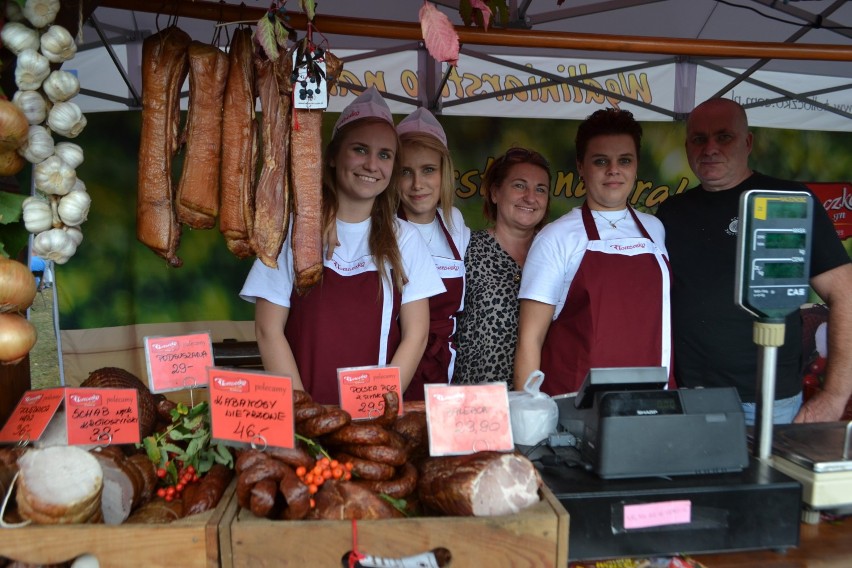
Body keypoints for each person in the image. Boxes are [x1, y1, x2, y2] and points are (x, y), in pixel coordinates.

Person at [240, 87, 445, 405]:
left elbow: (416, 336)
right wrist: (304, 412)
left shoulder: (405, 238)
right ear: (333, 156)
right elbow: (268, 329)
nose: (372, 164)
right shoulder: (296, 230)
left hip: (372, 415)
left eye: (385, 155)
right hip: (305, 415)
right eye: (360, 150)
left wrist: (380, 405)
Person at [656, 97, 852, 424]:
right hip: (688, 398)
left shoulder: (786, 202)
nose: (710, 148)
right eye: (699, 139)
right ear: (687, 145)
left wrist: (834, 395)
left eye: (724, 136)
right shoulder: (671, 213)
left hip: (768, 405)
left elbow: (844, 292)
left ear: (748, 142)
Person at [514, 109, 672, 395]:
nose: (614, 170)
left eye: (624, 160)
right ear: (581, 167)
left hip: (652, 398)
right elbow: (530, 339)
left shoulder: (655, 229)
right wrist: (531, 414)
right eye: (601, 161)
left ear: (636, 166)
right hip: (577, 406)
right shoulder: (556, 238)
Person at [453, 147, 551, 390]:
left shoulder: (556, 255)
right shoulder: (467, 249)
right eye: (519, 185)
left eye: (540, 189)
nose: (530, 197)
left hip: (541, 402)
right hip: (478, 402)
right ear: (495, 192)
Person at [395, 108, 471, 400]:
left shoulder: (454, 224)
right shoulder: (381, 228)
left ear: (445, 172)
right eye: (406, 172)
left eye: (428, 170)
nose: (418, 184)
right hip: (394, 365)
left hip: (446, 371)